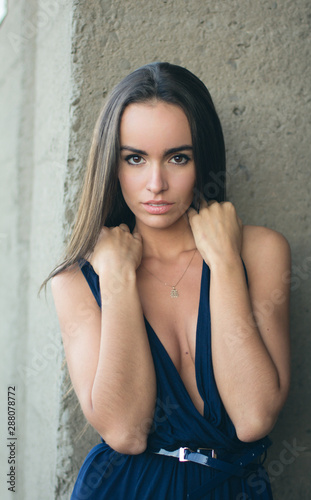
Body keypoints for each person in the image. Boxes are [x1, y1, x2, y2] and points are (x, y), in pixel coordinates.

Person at [45, 62, 291, 499]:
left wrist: (225, 262)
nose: (155, 184)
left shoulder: (260, 252)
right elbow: (125, 432)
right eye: (135, 159)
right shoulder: (78, 281)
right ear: (111, 166)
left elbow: (253, 417)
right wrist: (118, 278)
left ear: (204, 160)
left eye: (178, 157)